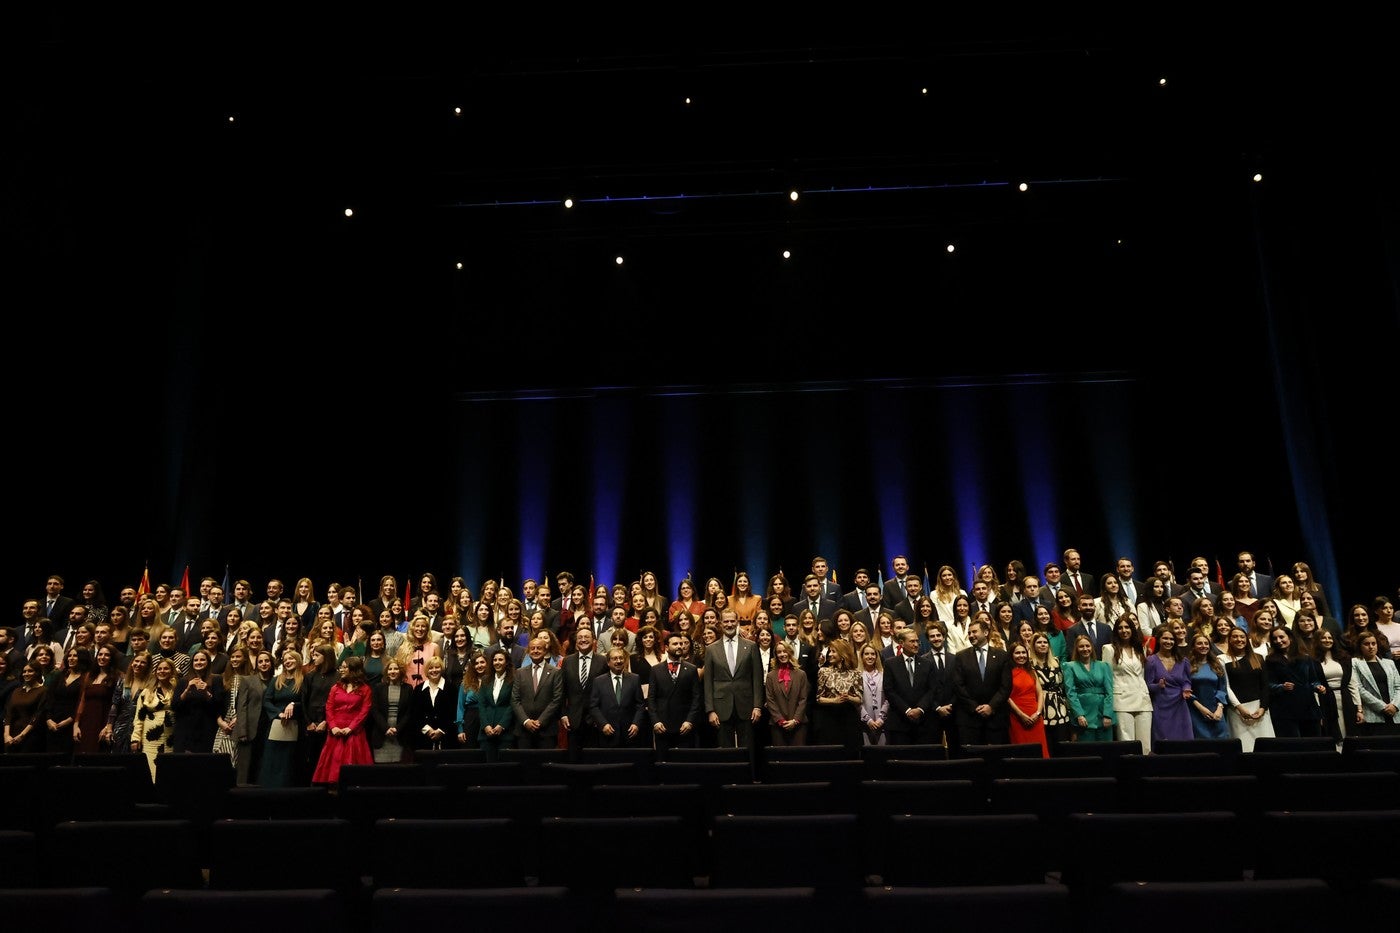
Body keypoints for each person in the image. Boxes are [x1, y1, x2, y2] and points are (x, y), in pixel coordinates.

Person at [703, 609, 765, 749]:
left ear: (737, 623)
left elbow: (757, 678)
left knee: (748, 749)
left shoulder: (751, 646)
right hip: (721, 707)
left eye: (732, 621)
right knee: (725, 751)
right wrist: (710, 710)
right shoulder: (711, 649)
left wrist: (757, 706)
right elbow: (708, 682)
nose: (729, 624)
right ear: (720, 624)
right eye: (726, 621)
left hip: (746, 705)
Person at [312, 656, 373, 784]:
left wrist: (350, 728)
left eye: (345, 667)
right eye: (341, 667)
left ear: (354, 669)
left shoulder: (365, 689)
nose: (342, 669)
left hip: (354, 732)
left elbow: (364, 711)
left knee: (354, 769)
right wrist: (333, 726)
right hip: (335, 731)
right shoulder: (336, 687)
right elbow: (329, 708)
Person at [952, 617, 1012, 745]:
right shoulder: (961, 657)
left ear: (985, 633)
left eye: (974, 632)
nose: (971, 635)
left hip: (996, 718)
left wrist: (991, 706)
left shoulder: (1002, 655)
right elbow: (958, 685)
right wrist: (975, 707)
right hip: (970, 719)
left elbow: (1006, 686)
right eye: (969, 633)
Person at [1101, 617, 1152, 753]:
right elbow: (1107, 678)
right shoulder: (1109, 649)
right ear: (1116, 631)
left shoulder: (1140, 648)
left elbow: (1142, 674)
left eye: (1127, 627)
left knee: (1145, 745)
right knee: (1127, 743)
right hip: (1122, 700)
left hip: (1143, 699)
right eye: (1120, 628)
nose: (1124, 630)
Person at [1264, 627, 1326, 738]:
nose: (1278, 641)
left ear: (1290, 638)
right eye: (1274, 638)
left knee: (1313, 744)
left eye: (1281, 637)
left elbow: (1314, 680)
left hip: (1308, 707)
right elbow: (1268, 684)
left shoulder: (1305, 658)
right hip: (1285, 710)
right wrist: (1281, 687)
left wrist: (1318, 687)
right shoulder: (1270, 660)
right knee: (1293, 746)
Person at [1222, 627, 1274, 751]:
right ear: (1229, 640)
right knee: (1244, 749)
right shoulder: (1222, 659)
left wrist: (1263, 708)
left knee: (1266, 748)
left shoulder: (1258, 658)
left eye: (1242, 636)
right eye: (1235, 636)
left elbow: (1265, 685)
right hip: (1238, 712)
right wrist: (1239, 708)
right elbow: (1226, 686)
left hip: (1260, 710)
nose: (1239, 639)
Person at [649, 631, 701, 752]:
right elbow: (651, 699)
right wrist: (655, 722)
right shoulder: (656, 670)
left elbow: (696, 698)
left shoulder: (691, 669)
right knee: (663, 764)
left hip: (685, 726)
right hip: (663, 726)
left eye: (681, 644)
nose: (679, 646)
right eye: (675, 644)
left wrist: (689, 721)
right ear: (666, 647)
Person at [259, 651, 304, 787]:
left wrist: (293, 704)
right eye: (285, 660)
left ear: (298, 660)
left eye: (291, 658)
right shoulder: (276, 679)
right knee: (272, 758)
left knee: (288, 760)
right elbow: (266, 701)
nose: (287, 661)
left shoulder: (303, 680)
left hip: (294, 725)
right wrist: (278, 713)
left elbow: (306, 702)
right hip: (276, 724)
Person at [1063, 635, 1115, 743]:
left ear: (1092, 647)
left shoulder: (1104, 666)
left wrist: (1108, 714)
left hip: (1103, 714)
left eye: (1087, 646)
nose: (1085, 649)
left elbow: (1109, 691)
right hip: (1084, 715)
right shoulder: (1069, 666)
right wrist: (1079, 714)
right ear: (1076, 649)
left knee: (1107, 751)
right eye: (1081, 646)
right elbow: (1070, 692)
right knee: (1087, 751)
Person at [1145, 627, 1194, 743]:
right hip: (1160, 705)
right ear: (1158, 640)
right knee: (1163, 742)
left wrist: (1186, 689)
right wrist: (1158, 686)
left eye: (1171, 639)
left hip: (1179, 705)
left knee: (1184, 742)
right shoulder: (1151, 661)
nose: (1168, 641)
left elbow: (1187, 681)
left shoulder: (1183, 660)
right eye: (1165, 638)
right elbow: (1147, 685)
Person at [172, 649, 225, 754]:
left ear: (208, 662)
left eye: (202, 660)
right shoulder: (183, 681)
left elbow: (219, 706)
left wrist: (206, 692)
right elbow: (175, 706)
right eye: (196, 660)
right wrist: (187, 690)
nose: (199, 662)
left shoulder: (216, 679)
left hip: (206, 728)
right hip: (185, 730)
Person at [136, 658, 179, 779]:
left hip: (172, 738)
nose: (162, 671)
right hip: (150, 740)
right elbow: (139, 717)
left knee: (169, 773)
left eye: (166, 668)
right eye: (159, 669)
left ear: (172, 671)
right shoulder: (147, 692)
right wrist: (135, 738)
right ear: (155, 672)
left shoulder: (177, 690)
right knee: (151, 772)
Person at [1351, 632, 1400, 735]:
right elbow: (1359, 688)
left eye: (1374, 643)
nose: (1371, 647)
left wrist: (1395, 705)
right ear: (1360, 646)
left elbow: (1398, 686)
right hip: (1373, 713)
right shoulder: (1355, 662)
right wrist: (1382, 707)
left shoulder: (1389, 663)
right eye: (1366, 644)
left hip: (1395, 712)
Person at [764, 639, 810, 746]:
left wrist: (795, 720)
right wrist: (780, 720)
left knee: (797, 757)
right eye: (779, 652)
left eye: (784, 651)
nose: (782, 654)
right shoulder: (771, 676)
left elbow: (803, 699)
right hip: (778, 725)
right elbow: (770, 700)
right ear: (776, 655)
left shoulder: (801, 674)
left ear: (789, 653)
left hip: (798, 724)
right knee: (780, 758)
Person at [74, 644, 119, 754]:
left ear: (112, 658)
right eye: (100, 654)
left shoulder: (117, 677)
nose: (102, 657)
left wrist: (108, 726)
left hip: (103, 722)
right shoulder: (89, 676)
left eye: (107, 655)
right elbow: (82, 702)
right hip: (86, 723)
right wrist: (76, 725)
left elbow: (116, 705)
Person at [1029, 632, 1070, 749]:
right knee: (1047, 745)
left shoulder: (1056, 662)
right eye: (1039, 642)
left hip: (1060, 708)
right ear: (1033, 645)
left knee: (1062, 744)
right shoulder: (1030, 664)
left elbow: (1062, 685)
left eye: (1045, 642)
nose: (1043, 645)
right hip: (1041, 708)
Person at [1006, 643, 1048, 757]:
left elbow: (1039, 693)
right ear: (1011, 655)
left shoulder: (1032, 671)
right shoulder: (1007, 673)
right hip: (1017, 717)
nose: (1021, 655)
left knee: (1040, 750)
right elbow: (1007, 697)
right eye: (1017, 653)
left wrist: (1038, 713)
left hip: (1036, 717)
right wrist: (1021, 715)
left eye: (1023, 652)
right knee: (1022, 752)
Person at [1186, 634, 1230, 739]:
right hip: (1196, 712)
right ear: (1193, 647)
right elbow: (1186, 690)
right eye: (1199, 643)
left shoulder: (1216, 664)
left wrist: (1220, 708)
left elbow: (1222, 688)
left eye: (1206, 643)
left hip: (1216, 711)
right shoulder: (1187, 665)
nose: (1203, 646)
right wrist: (1201, 709)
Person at [477, 649, 515, 761]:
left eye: (500, 659)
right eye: (494, 660)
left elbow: (513, 704)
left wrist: (501, 725)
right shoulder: (485, 679)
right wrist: (486, 726)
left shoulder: (514, 679)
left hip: (505, 733)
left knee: (504, 768)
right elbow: (481, 704)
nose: (497, 662)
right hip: (486, 732)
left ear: (507, 662)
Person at [3, 662, 46, 753]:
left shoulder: (43, 691)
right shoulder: (17, 691)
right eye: (24, 671)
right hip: (12, 734)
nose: (26, 674)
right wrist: (6, 735)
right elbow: (9, 714)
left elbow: (38, 715)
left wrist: (22, 735)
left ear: (37, 673)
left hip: (30, 735)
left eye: (30, 671)